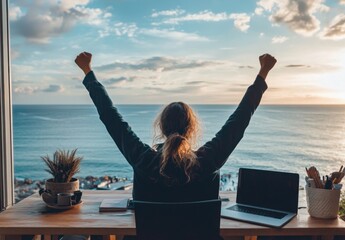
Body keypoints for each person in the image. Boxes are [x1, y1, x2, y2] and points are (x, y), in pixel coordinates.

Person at [75, 52, 277, 202]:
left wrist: (88, 72)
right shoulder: (207, 161)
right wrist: (263, 73)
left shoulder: (144, 160)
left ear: (161, 127)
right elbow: (240, 119)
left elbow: (111, 117)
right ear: (191, 129)